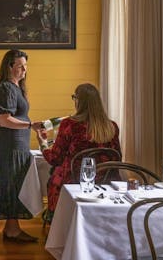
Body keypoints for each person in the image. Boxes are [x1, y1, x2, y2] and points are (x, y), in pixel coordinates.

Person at [35, 83, 121, 217]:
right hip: (106, 183)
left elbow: (55, 159)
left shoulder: (69, 125)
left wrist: (43, 144)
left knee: (55, 174)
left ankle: (57, 223)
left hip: (74, 183)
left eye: (74, 97)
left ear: (78, 101)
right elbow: (117, 158)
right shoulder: (111, 126)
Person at [0, 49, 43, 242]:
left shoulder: (17, 88)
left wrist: (34, 129)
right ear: (9, 67)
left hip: (18, 144)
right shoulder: (5, 88)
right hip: (10, 146)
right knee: (13, 184)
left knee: (17, 184)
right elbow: (5, 120)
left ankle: (11, 228)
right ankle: (12, 230)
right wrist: (30, 124)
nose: (24, 70)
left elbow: (18, 117)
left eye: (25, 66)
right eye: (20, 66)